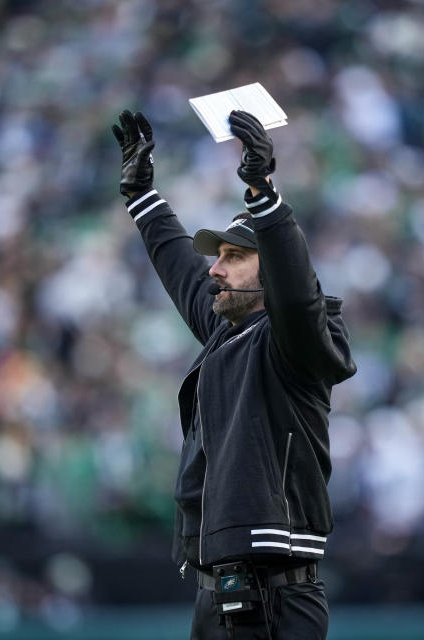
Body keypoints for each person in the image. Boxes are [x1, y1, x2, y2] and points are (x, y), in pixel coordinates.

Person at [111, 108, 357, 639]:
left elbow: (297, 295)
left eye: (232, 256)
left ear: (270, 272)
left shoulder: (294, 339)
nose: (215, 268)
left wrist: (264, 195)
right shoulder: (229, 331)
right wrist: (142, 198)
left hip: (278, 595)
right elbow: (181, 270)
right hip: (216, 591)